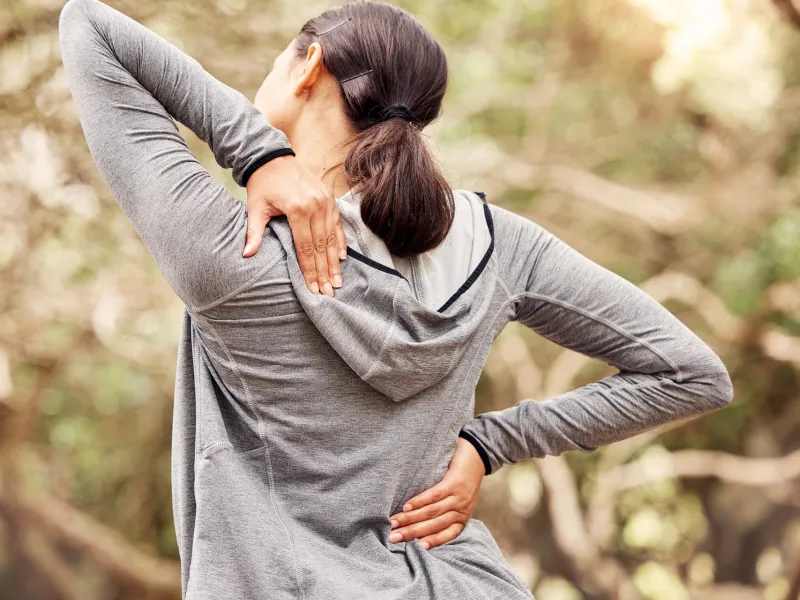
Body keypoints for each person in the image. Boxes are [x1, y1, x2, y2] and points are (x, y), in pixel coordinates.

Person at [57, 0, 735, 598]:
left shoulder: (231, 251)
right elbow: (692, 375)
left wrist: (256, 154)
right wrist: (490, 443)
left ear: (308, 64)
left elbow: (87, 25)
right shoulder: (503, 248)